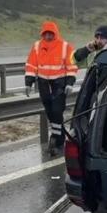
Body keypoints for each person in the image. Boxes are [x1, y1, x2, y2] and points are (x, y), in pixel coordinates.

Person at [25, 21, 78, 156]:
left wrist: (70, 83)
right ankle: (59, 136)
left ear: (55, 33)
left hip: (59, 84)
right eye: (46, 34)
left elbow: (72, 66)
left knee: (56, 111)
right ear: (42, 34)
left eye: (50, 34)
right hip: (43, 84)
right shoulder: (37, 46)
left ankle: (56, 140)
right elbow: (31, 65)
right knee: (50, 112)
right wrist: (28, 83)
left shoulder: (65, 46)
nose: (48, 36)